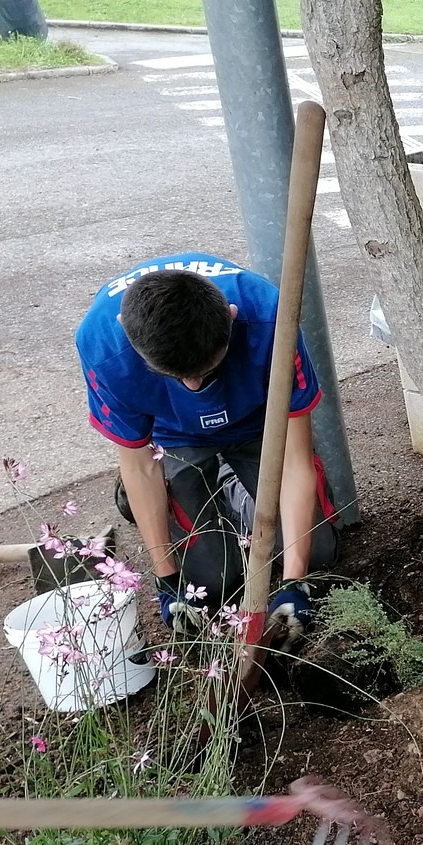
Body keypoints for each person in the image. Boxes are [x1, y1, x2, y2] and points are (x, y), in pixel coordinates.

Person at [75, 253, 339, 634]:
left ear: (231, 317)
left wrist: (293, 581)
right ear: (125, 331)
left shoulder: (271, 318)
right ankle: (166, 493)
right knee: (210, 585)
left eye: (208, 370)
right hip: (172, 437)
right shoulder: (102, 343)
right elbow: (139, 463)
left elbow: (295, 461)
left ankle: (230, 482)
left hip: (257, 423)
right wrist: (167, 582)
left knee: (318, 553)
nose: (195, 386)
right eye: (177, 376)